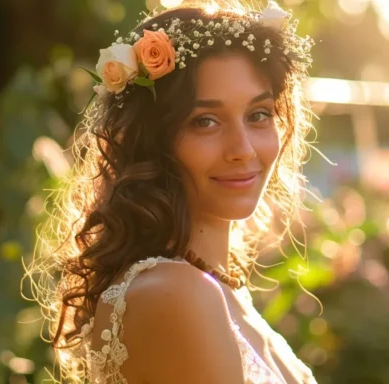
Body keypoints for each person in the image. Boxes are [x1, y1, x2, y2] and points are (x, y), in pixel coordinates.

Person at [27, 0, 318, 382]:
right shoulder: (178, 294)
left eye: (258, 114)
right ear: (152, 140)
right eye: (206, 121)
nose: (243, 149)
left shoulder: (214, 290)